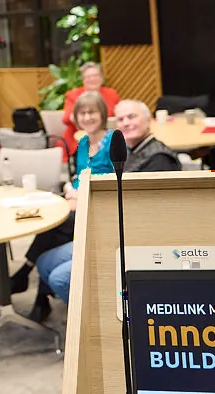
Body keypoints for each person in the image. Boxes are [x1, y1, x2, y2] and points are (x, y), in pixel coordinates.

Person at [28, 95, 180, 322]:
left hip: (135, 242)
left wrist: (85, 202)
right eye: (121, 119)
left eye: (132, 117)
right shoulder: (128, 151)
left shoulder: (158, 159)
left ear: (148, 121)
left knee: (60, 275)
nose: (126, 123)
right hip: (111, 228)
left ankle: (97, 326)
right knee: (45, 260)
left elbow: (146, 214)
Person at [61, 63, 120, 158]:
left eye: (95, 75)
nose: (92, 79)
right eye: (88, 77)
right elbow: (66, 118)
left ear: (101, 78)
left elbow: (119, 113)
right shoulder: (73, 95)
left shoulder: (111, 94)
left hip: (108, 138)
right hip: (79, 140)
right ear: (83, 80)